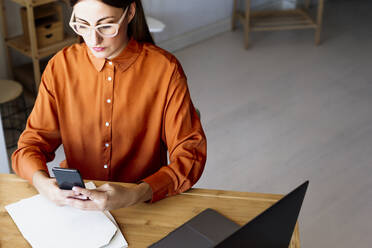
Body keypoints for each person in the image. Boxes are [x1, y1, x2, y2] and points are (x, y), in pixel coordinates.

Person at [12, 0, 206, 211]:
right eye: (82, 24)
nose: (93, 39)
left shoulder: (165, 70)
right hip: (77, 205)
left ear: (130, 11)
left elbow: (190, 153)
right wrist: (43, 183)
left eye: (106, 26)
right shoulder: (60, 67)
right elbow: (29, 146)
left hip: (141, 204)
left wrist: (137, 193)